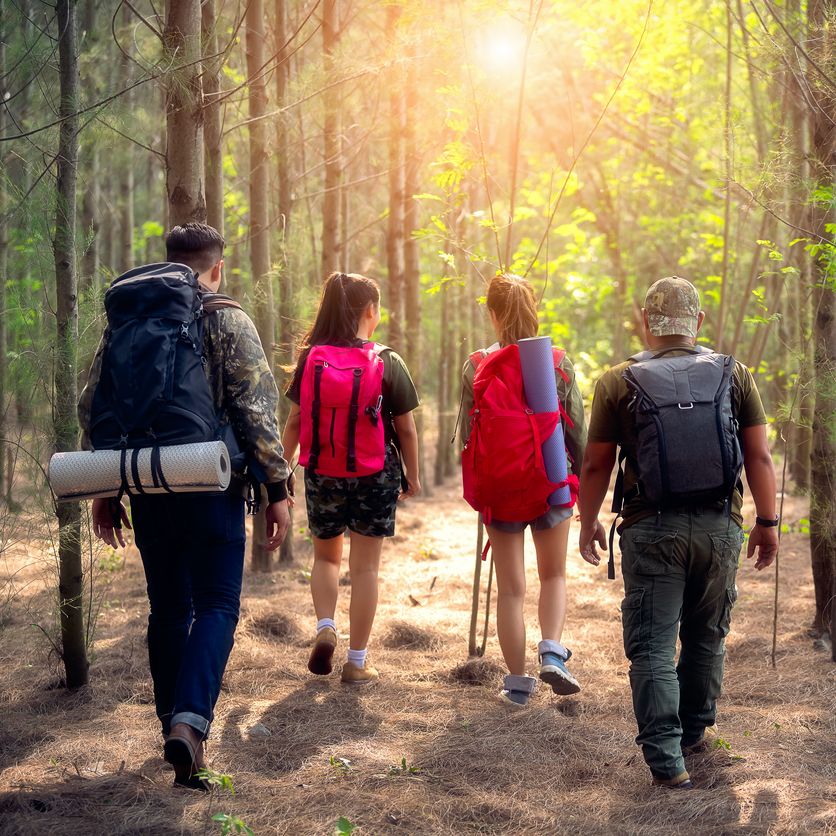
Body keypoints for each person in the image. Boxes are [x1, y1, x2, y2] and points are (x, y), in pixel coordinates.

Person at [78, 222, 291, 789]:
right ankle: (191, 726)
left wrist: (107, 486)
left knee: (167, 610)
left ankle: (170, 721)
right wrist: (277, 491)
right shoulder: (227, 318)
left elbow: (91, 403)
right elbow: (256, 414)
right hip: (213, 485)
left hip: (147, 484)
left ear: (170, 260)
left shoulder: (129, 321)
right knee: (218, 604)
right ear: (216, 266)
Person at [577, 276, 779, 789]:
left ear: (647, 323)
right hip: (719, 528)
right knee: (706, 637)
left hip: (652, 531)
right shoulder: (734, 374)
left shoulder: (616, 381)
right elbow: (757, 455)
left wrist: (588, 521)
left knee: (652, 646)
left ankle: (668, 762)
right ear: (699, 324)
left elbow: (597, 465)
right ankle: (694, 733)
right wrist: (768, 523)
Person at [282, 271, 421, 686]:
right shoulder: (387, 360)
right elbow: (408, 430)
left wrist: (281, 472)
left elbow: (293, 423)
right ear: (370, 311)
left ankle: (326, 625)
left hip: (323, 471)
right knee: (365, 570)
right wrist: (412, 477)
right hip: (375, 474)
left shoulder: (311, 359)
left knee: (326, 558)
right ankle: (356, 661)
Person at [459, 273, 588, 708]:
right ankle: (552, 649)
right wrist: (583, 491)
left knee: (511, 589)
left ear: (492, 314)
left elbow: (465, 435)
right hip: (551, 479)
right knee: (553, 575)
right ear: (534, 308)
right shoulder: (558, 360)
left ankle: (517, 685)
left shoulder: (475, 364)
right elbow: (578, 436)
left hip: (502, 488)